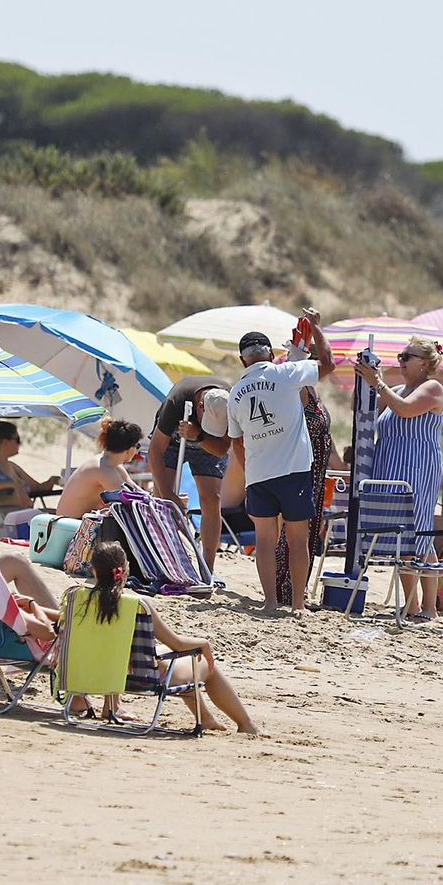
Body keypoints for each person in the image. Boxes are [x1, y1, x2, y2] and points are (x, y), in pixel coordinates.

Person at [75, 543, 258, 734]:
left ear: (93, 570)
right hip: (139, 677)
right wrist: (204, 644)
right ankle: (246, 724)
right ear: (125, 569)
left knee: (147, 655)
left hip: (89, 673)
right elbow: (177, 644)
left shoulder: (76, 600)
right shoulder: (137, 605)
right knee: (199, 662)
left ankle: (206, 718)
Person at [227, 316, 329, 611]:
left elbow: (236, 441)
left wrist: (249, 475)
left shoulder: (236, 392)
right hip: (294, 470)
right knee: (297, 540)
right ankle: (298, 604)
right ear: (271, 355)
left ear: (242, 360)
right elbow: (328, 365)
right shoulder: (285, 374)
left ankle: (270, 602)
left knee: (265, 542)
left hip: (259, 474)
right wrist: (317, 329)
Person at [356, 337, 443, 618]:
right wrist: (364, 378)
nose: (401, 360)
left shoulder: (432, 388)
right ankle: (413, 603)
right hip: (390, 467)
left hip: (416, 468)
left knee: (416, 535)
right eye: (400, 355)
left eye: (407, 356)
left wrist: (379, 384)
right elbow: (359, 407)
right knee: (403, 537)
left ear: (425, 363)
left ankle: (427, 606)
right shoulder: (397, 389)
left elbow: (405, 409)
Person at [273, 314, 336, 608]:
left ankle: (295, 589)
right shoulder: (295, 388)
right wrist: (316, 329)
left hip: (314, 470)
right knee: (297, 532)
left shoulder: (308, 388)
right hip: (302, 469)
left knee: (307, 531)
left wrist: (315, 328)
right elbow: (329, 362)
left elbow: (327, 360)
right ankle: (289, 591)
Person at [149, 374, 233, 571]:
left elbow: (221, 449)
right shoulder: (177, 400)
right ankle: (159, 560)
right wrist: (169, 495)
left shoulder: (232, 402)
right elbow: (154, 452)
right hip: (171, 443)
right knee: (162, 499)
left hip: (207, 443)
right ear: (199, 407)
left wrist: (199, 436)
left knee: (212, 499)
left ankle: (207, 568)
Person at [56, 417, 143, 519]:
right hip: (67, 527)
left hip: (74, 525)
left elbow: (137, 492)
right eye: (137, 446)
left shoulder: (109, 465)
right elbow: (129, 500)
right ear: (129, 449)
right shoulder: (103, 469)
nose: (137, 451)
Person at [0, 419, 58, 515]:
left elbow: (36, 488)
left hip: (25, 516)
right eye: (17, 440)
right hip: (7, 520)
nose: (20, 444)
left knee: (65, 515)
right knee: (66, 518)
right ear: (4, 442)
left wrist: (51, 481)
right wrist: (12, 485)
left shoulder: (13, 467)